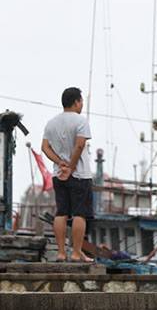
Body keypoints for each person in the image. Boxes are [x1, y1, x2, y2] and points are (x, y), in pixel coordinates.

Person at [41, 87, 94, 263]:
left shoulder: (51, 123)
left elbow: (45, 148)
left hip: (59, 174)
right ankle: (77, 252)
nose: (82, 105)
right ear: (77, 102)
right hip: (79, 174)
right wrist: (71, 167)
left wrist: (59, 163)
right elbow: (79, 146)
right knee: (80, 213)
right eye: (81, 101)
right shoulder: (81, 121)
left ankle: (61, 252)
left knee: (61, 212)